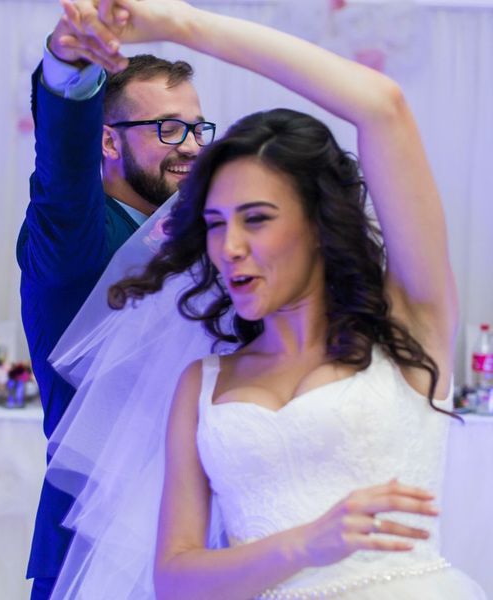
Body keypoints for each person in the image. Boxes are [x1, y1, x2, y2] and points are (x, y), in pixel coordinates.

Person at [45, 0, 487, 598]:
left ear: (318, 223)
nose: (228, 247)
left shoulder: (409, 329)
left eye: (256, 219)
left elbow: (383, 108)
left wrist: (181, 24)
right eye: (216, 222)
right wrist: (306, 544)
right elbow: (175, 577)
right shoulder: (202, 383)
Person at [15, 1, 215, 596]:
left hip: (206, 537)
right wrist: (68, 67)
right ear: (106, 140)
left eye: (197, 127)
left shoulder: (212, 232)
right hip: (92, 540)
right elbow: (61, 174)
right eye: (167, 128)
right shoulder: (72, 237)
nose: (191, 146)